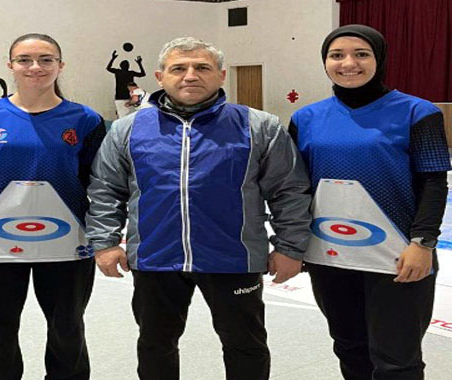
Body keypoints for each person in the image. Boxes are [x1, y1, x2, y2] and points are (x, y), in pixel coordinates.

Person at [86, 37, 311, 380]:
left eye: (202, 67)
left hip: (234, 258)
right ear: (160, 77)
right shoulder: (127, 129)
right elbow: (106, 188)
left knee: (245, 345)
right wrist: (104, 242)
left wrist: (290, 247)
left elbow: (290, 191)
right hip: (155, 257)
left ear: (221, 76)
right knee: (155, 344)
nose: (190, 75)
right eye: (179, 68)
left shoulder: (259, 126)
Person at [289, 25, 451, 380]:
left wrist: (423, 242)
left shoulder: (418, 112)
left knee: (397, 359)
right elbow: (297, 188)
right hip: (330, 256)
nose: (349, 63)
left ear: (379, 59)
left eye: (361, 54)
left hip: (398, 255)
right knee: (349, 346)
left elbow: (433, 182)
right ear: (325, 62)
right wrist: (295, 245)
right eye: (337, 55)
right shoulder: (305, 118)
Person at [0, 33, 106, 380]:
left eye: (45, 59)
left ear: (60, 65)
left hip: (67, 241)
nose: (35, 67)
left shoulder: (85, 119)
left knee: (67, 330)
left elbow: (95, 178)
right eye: (24, 60)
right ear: (10, 65)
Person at [106, 50, 145, 118]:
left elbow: (108, 68)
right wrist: (139, 63)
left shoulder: (118, 72)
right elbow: (142, 74)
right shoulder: (130, 73)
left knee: (121, 114)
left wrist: (113, 58)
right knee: (128, 115)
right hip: (127, 95)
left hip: (120, 95)